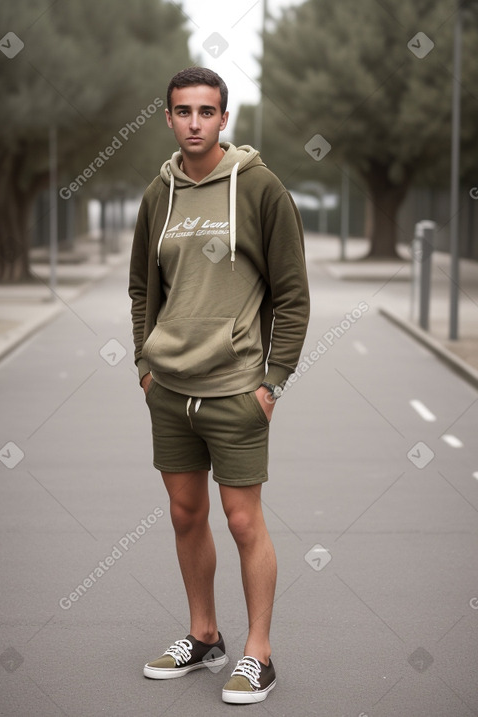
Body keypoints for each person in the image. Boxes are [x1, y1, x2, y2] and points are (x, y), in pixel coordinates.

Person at [128, 66, 309, 705]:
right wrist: (145, 365)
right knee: (185, 513)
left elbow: (292, 295)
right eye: (183, 112)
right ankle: (204, 636)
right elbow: (142, 288)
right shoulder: (160, 193)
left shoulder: (261, 189)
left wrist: (272, 382)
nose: (195, 123)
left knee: (242, 520)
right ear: (170, 118)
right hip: (170, 388)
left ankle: (259, 654)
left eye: (207, 112)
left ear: (224, 118)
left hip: (237, 388)